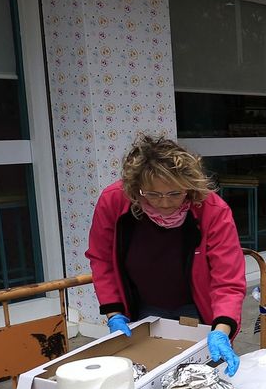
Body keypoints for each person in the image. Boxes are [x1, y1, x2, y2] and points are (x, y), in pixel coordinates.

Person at [86, 135, 246, 375]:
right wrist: (114, 313)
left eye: (174, 193)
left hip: (197, 307)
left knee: (203, 375)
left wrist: (222, 329)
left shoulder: (212, 210)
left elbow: (228, 280)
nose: (164, 203)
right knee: (149, 373)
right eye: (152, 194)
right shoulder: (114, 201)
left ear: (189, 186)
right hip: (140, 306)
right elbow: (102, 259)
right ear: (136, 188)